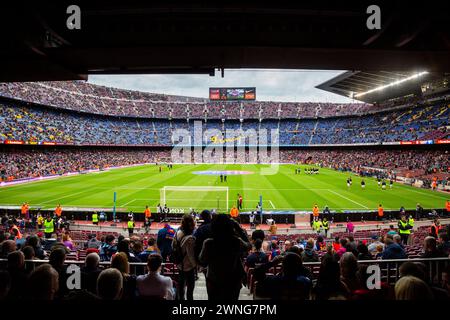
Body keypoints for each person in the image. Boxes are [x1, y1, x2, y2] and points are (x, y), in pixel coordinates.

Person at [199, 214, 251, 300]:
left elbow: (202, 261)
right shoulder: (236, 241)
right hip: (232, 282)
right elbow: (249, 246)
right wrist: (238, 227)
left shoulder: (208, 243)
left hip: (214, 282)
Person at [173, 214, 197, 300]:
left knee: (181, 289)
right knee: (190, 291)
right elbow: (191, 256)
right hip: (188, 267)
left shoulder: (178, 233)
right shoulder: (190, 238)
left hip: (180, 265)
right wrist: (196, 266)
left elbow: (173, 246)